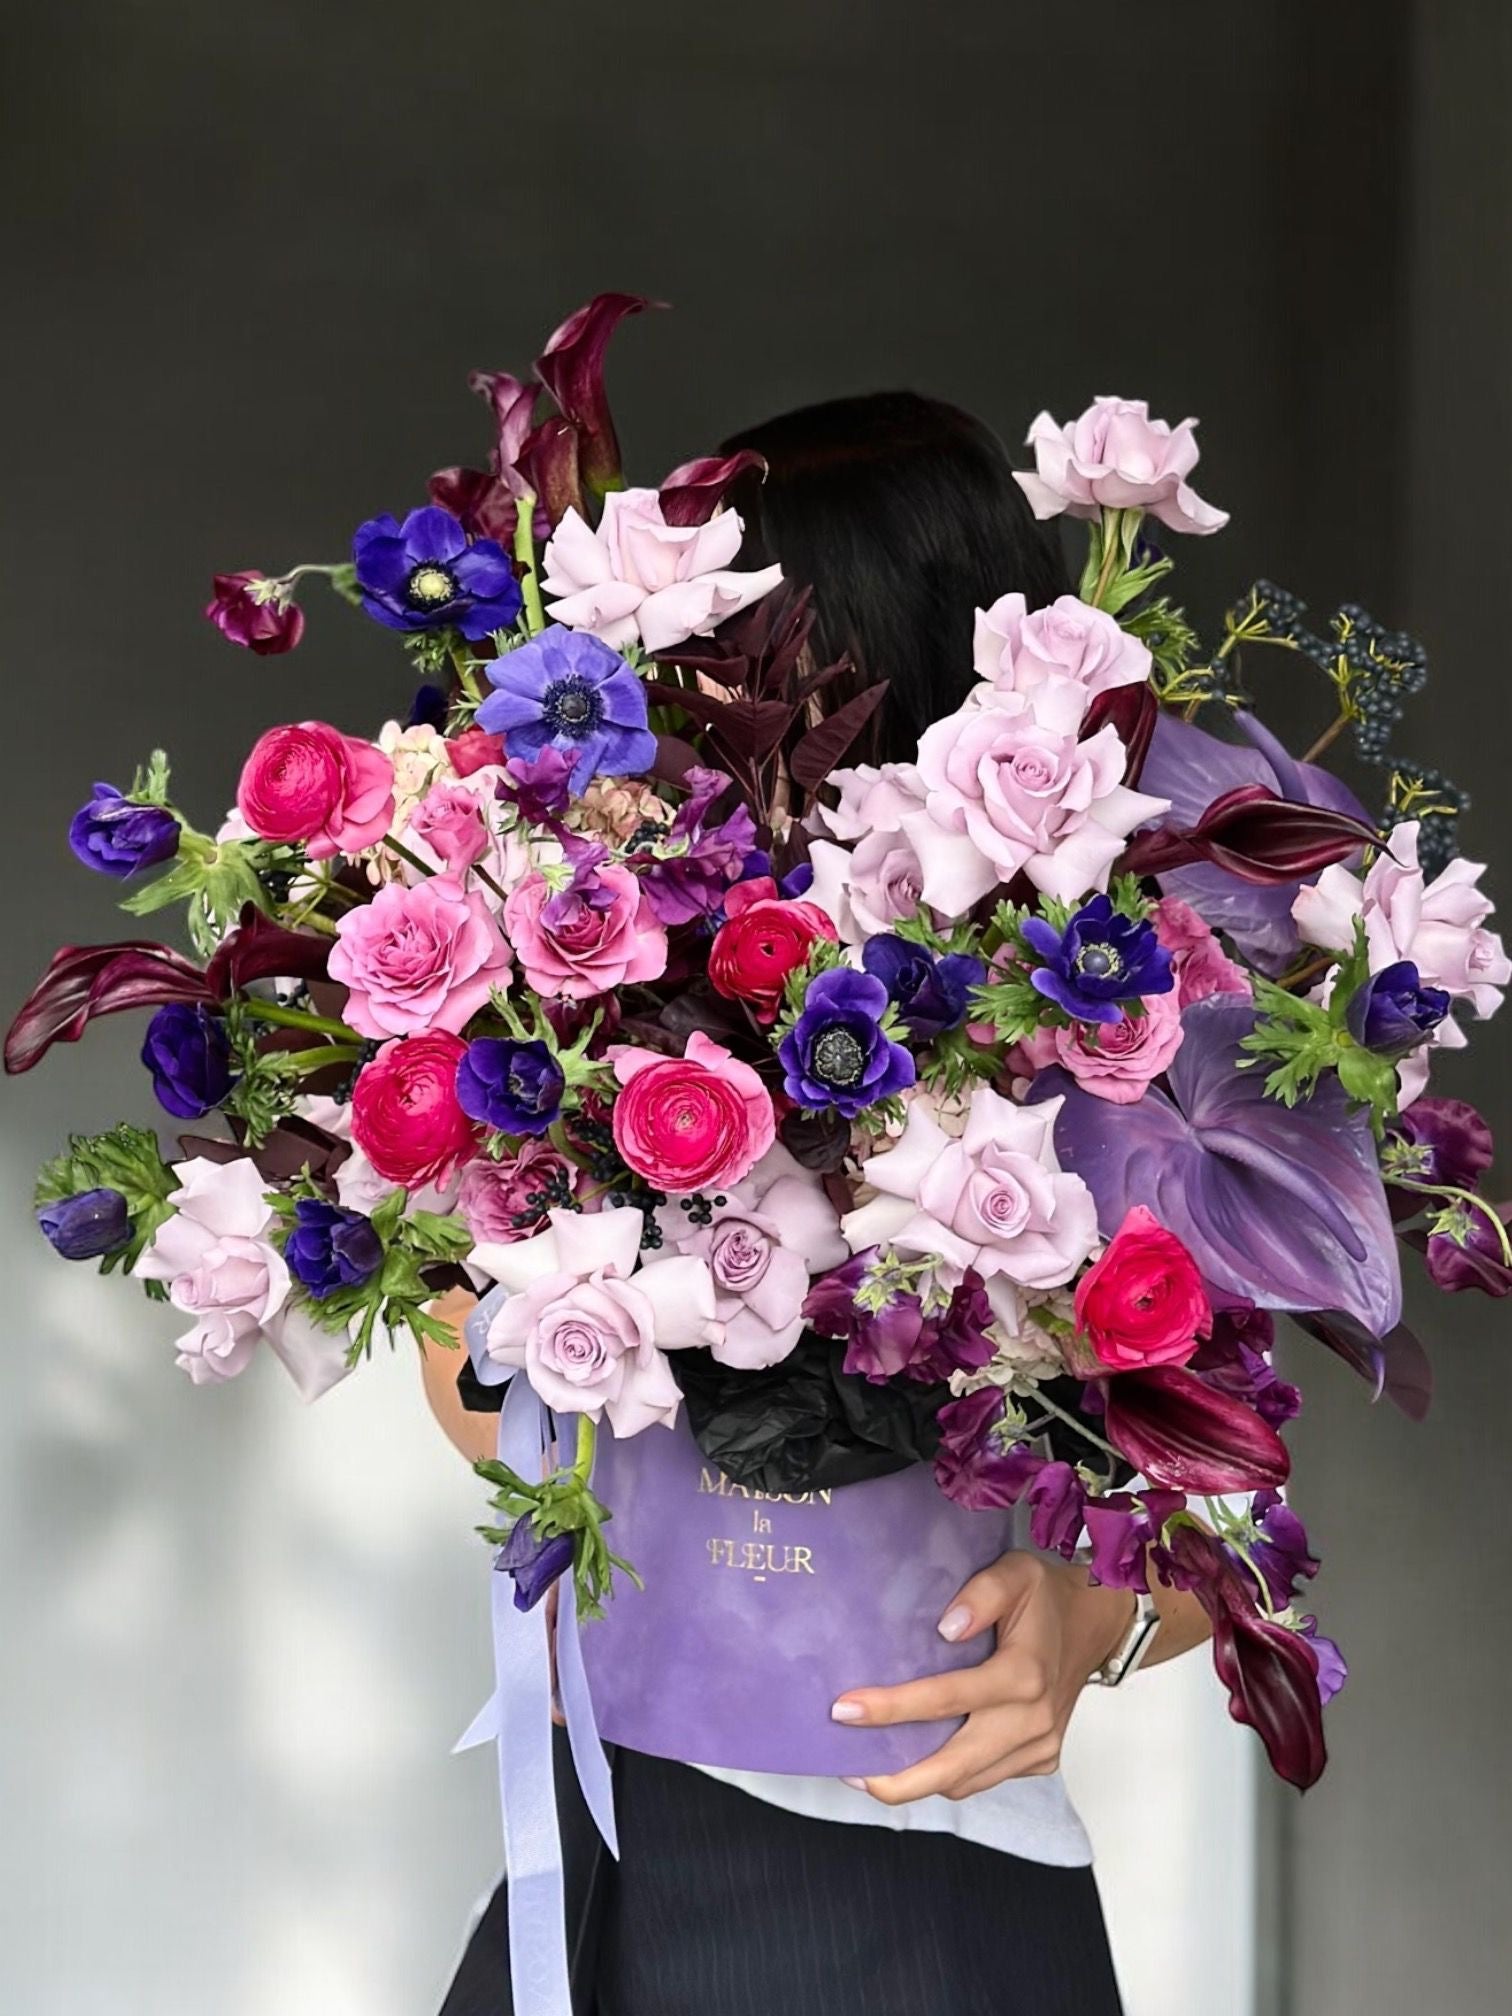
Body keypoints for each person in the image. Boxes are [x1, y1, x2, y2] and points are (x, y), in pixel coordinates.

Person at [427, 391, 1213, 2016]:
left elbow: (1238, 1509)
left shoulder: (1105, 1033)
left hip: (916, 1881)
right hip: (608, 1847)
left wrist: (1089, 1617)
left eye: (746, 648)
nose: (703, 701)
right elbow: (473, 1391)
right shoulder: (617, 1001)